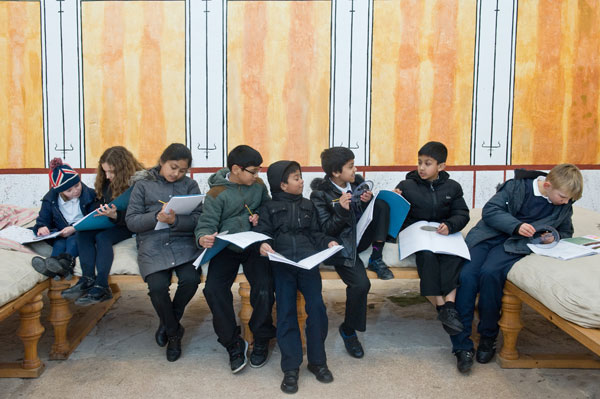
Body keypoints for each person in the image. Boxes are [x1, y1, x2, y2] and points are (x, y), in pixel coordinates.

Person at [451, 164, 583, 373]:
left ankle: (488, 336)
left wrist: (551, 238)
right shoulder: (516, 187)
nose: (566, 202)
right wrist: (516, 225)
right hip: (489, 236)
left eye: (569, 199)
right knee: (467, 275)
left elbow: (566, 231)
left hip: (514, 244)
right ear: (547, 185)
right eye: (563, 197)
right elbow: (491, 211)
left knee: (490, 274)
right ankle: (461, 343)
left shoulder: (565, 203)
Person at [253, 160, 337, 394]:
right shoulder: (268, 208)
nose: (302, 181)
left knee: (317, 308)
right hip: (282, 264)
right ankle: (290, 368)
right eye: (296, 178)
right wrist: (263, 244)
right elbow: (263, 234)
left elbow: (316, 233)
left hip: (308, 263)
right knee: (286, 311)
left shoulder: (309, 205)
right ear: (282, 184)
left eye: (300, 177)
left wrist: (327, 242)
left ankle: (318, 362)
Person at [195, 145, 276, 373]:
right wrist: (203, 238)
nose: (257, 176)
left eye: (258, 171)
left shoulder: (258, 186)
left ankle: (261, 338)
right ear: (236, 169)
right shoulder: (216, 193)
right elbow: (206, 224)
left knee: (264, 286)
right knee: (213, 290)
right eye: (253, 171)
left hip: (253, 244)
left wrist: (260, 217)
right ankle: (233, 343)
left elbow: (267, 207)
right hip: (226, 246)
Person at [310, 146, 391, 359]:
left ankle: (376, 255)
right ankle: (349, 330)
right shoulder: (320, 194)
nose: (355, 169)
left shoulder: (358, 184)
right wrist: (340, 210)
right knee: (361, 284)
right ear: (336, 172)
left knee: (381, 203)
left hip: (361, 237)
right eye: (350, 166)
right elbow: (326, 230)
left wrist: (367, 203)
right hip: (341, 245)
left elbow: (368, 215)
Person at [125, 143, 202, 362]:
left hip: (183, 243)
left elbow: (198, 219)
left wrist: (176, 220)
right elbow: (131, 221)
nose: (176, 174)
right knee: (157, 287)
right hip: (152, 243)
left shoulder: (190, 185)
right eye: (173, 167)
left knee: (191, 279)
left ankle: (169, 323)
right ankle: (174, 333)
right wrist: (155, 217)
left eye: (182, 170)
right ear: (162, 161)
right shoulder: (142, 186)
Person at [394, 142, 470, 336]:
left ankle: (450, 306)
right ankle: (441, 305)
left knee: (453, 256)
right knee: (427, 256)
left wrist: (451, 225)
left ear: (441, 166)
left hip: (442, 234)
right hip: (416, 235)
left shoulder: (453, 187)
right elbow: (395, 215)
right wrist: (395, 200)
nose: (421, 167)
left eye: (428, 163)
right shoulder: (406, 185)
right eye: (419, 162)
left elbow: (462, 213)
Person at [61, 146, 144, 305]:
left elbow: (140, 215)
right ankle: (87, 279)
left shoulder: (139, 182)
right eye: (105, 171)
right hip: (109, 221)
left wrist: (116, 215)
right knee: (83, 234)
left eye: (111, 172)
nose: (107, 176)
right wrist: (98, 212)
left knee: (102, 237)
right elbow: (100, 201)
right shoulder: (105, 181)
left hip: (127, 224)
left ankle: (102, 286)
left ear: (122, 168)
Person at [31, 158, 96, 277]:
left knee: (72, 240)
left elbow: (94, 218)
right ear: (60, 192)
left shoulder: (91, 195)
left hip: (80, 231)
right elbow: (43, 219)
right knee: (59, 243)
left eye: (77, 185)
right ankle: (52, 266)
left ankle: (66, 264)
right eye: (69, 190)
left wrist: (75, 228)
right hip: (61, 233)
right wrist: (42, 227)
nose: (75, 191)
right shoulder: (50, 200)